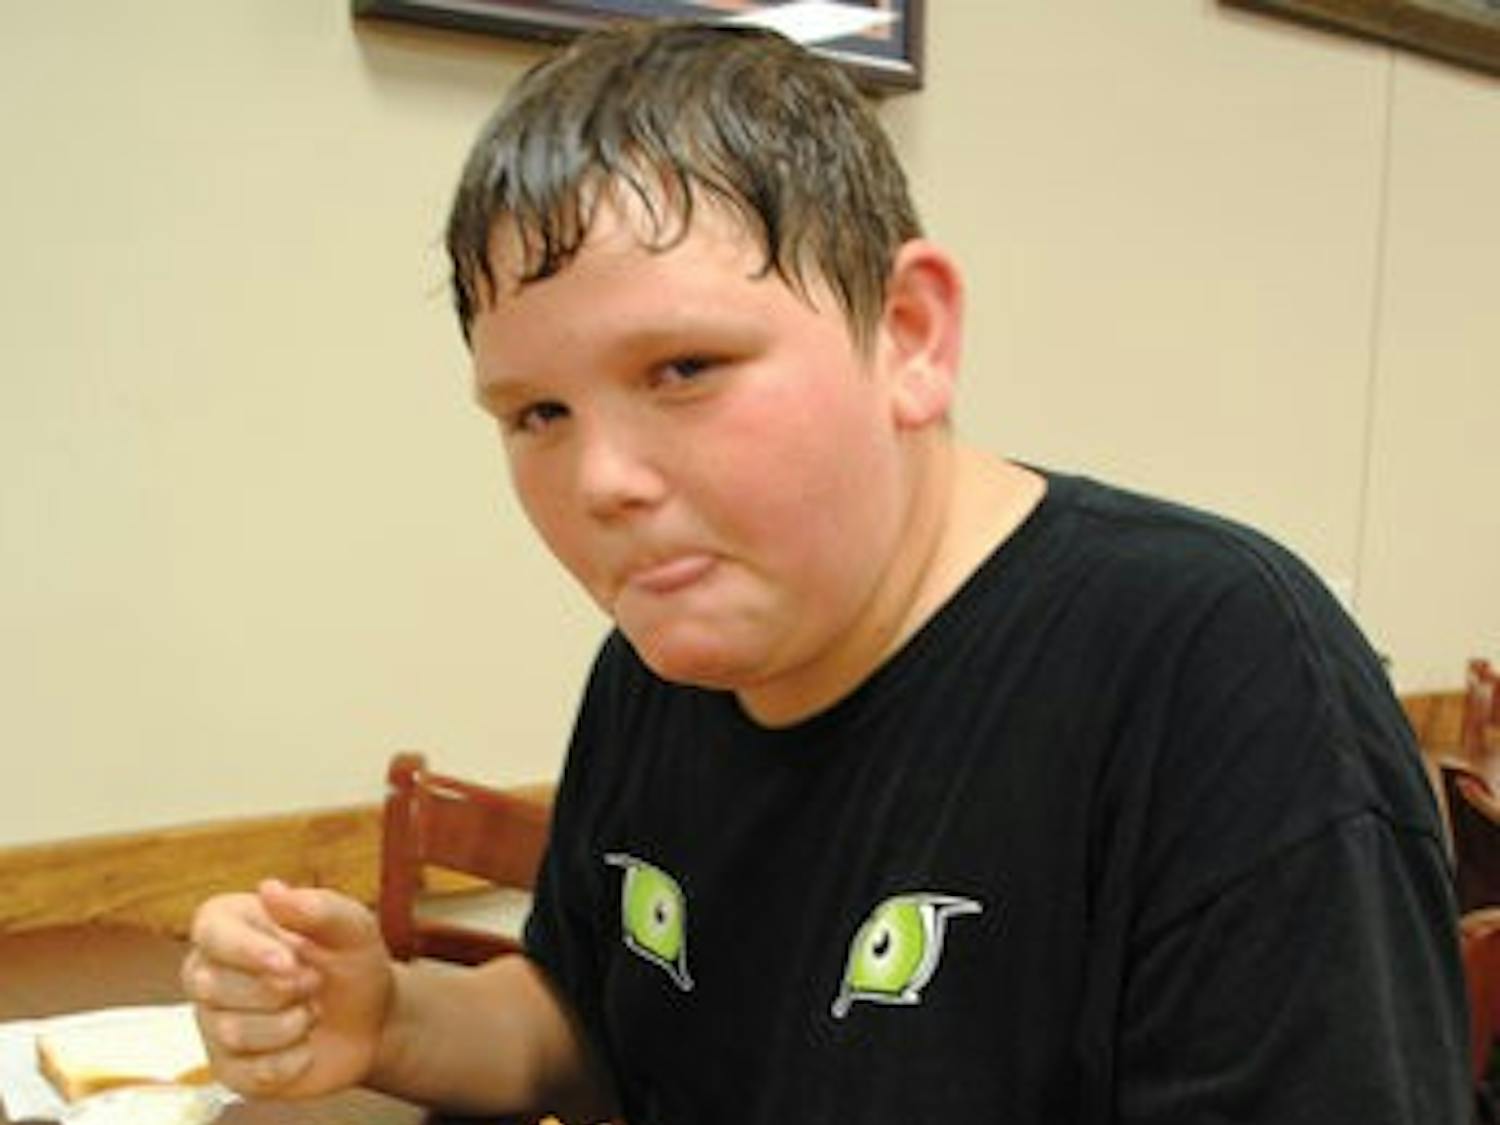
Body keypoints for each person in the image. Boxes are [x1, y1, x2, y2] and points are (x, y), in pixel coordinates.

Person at [182, 20, 1470, 1124]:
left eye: (682, 370)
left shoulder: (1217, 673)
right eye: (535, 416)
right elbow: (586, 1011)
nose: (600, 484)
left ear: (909, 335)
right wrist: (390, 1016)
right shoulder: (660, 662)